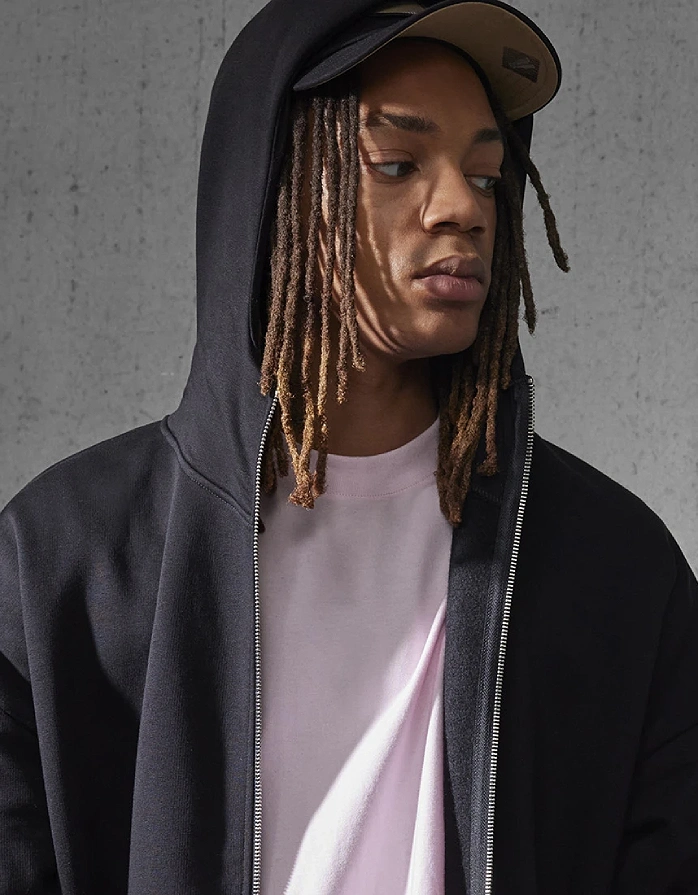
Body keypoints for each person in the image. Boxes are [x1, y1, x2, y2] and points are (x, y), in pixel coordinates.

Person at [1, 1, 696, 894]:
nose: (463, 209)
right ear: (271, 188)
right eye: (397, 163)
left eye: (486, 177)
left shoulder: (617, 572)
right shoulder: (62, 563)